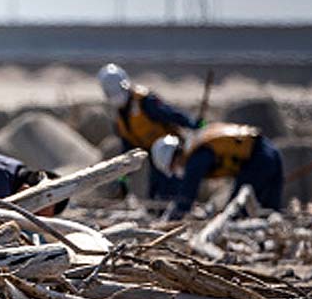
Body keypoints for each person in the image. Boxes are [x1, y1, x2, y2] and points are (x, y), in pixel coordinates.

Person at [98, 63, 199, 199]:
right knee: (155, 190)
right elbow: (127, 149)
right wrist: (123, 179)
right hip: (154, 155)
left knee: (170, 186)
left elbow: (171, 114)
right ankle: (158, 210)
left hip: (170, 151)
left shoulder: (145, 101)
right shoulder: (120, 118)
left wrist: (193, 124)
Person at [150, 122, 283, 220]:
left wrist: (169, 220)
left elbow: (187, 196)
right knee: (269, 208)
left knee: (237, 212)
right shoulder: (197, 144)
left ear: (173, 157)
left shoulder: (195, 157)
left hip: (258, 159)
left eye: (173, 167)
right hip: (269, 150)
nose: (176, 171)